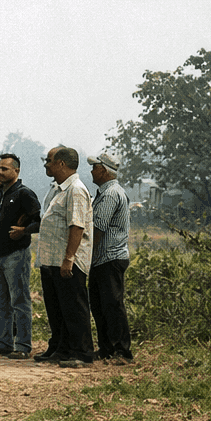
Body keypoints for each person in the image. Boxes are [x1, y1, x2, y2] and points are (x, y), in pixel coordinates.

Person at [28, 146, 94, 367]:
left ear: (62, 164)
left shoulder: (75, 189)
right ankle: (61, 347)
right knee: (57, 308)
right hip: (52, 259)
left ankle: (82, 352)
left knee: (74, 307)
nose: (46, 164)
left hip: (67, 261)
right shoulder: (57, 189)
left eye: (49, 160)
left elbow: (77, 226)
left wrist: (69, 258)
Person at [0, 153, 40, 360]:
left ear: (16, 170)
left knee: (19, 301)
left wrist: (23, 231)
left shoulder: (24, 194)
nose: (0, 172)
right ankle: (4, 343)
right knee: (0, 302)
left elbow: (38, 221)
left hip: (16, 254)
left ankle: (23, 345)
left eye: (4, 169)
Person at [87, 151, 133, 364]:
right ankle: (107, 349)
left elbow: (98, 228)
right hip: (103, 259)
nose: (92, 171)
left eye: (95, 167)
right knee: (100, 305)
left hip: (109, 257)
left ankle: (121, 351)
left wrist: (86, 254)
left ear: (104, 170)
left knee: (112, 305)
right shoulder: (106, 192)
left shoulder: (110, 194)